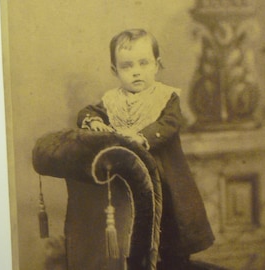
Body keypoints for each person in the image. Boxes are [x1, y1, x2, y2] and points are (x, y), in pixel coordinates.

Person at [77, 29, 214, 270]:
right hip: (131, 180)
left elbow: (170, 124)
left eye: (143, 63)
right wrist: (95, 122)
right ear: (115, 71)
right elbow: (86, 112)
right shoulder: (112, 100)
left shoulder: (166, 96)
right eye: (127, 66)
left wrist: (142, 137)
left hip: (165, 175)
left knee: (172, 229)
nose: (136, 71)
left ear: (156, 65)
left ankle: (175, 261)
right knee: (135, 230)